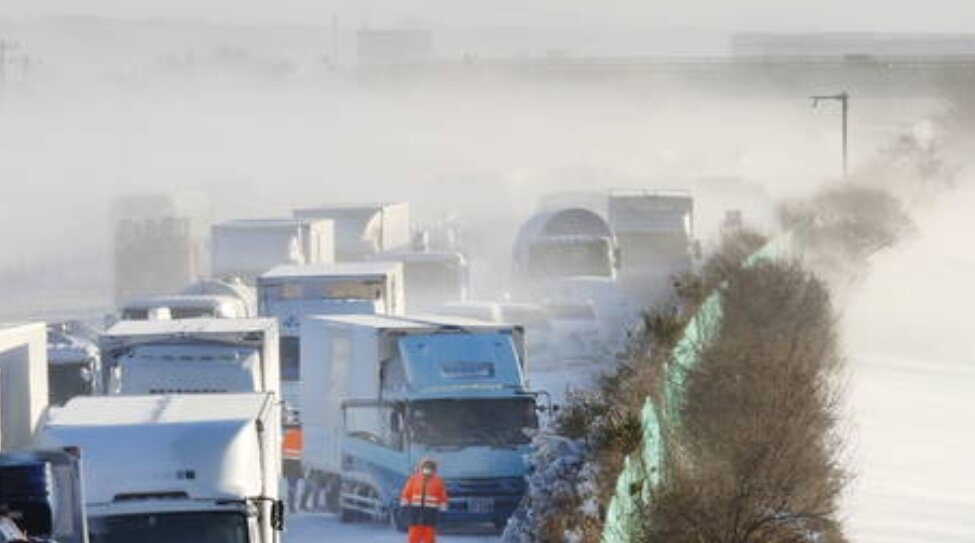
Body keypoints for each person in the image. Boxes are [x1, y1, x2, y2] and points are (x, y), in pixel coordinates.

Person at [399, 458, 448, 543]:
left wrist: (443, 509)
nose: (427, 469)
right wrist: (404, 507)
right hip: (415, 512)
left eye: (430, 467)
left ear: (434, 469)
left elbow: (442, 496)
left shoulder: (438, 481)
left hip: (430, 513)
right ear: (421, 468)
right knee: (414, 535)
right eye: (425, 467)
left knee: (429, 536)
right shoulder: (413, 479)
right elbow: (406, 493)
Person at [282, 424, 303, 514]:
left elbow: (283, 448)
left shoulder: (287, 434)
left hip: (288, 463)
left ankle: (291, 505)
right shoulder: (300, 436)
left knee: (291, 486)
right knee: (294, 486)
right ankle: (292, 506)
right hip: (296, 464)